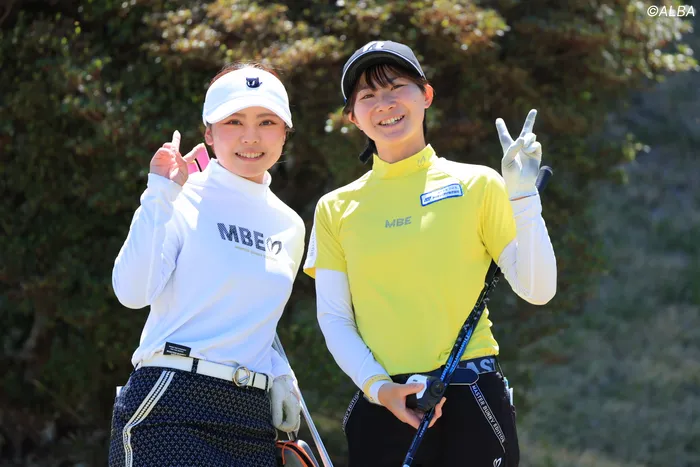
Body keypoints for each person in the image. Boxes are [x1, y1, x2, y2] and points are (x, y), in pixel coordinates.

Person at [303, 40, 557, 466]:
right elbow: (334, 318)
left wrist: (523, 197)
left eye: (396, 87)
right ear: (352, 117)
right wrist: (379, 388)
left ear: (426, 94)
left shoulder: (479, 184)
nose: (384, 104)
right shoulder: (335, 208)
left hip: (471, 395)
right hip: (384, 402)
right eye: (368, 95)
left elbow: (538, 289)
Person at [109, 62, 305, 467]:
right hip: (171, 399)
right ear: (209, 133)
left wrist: (280, 373)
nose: (251, 137)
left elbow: (252, 320)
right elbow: (132, 293)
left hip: (251, 416)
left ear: (285, 132)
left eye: (267, 122)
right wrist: (159, 194)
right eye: (234, 121)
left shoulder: (290, 225)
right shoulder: (178, 194)